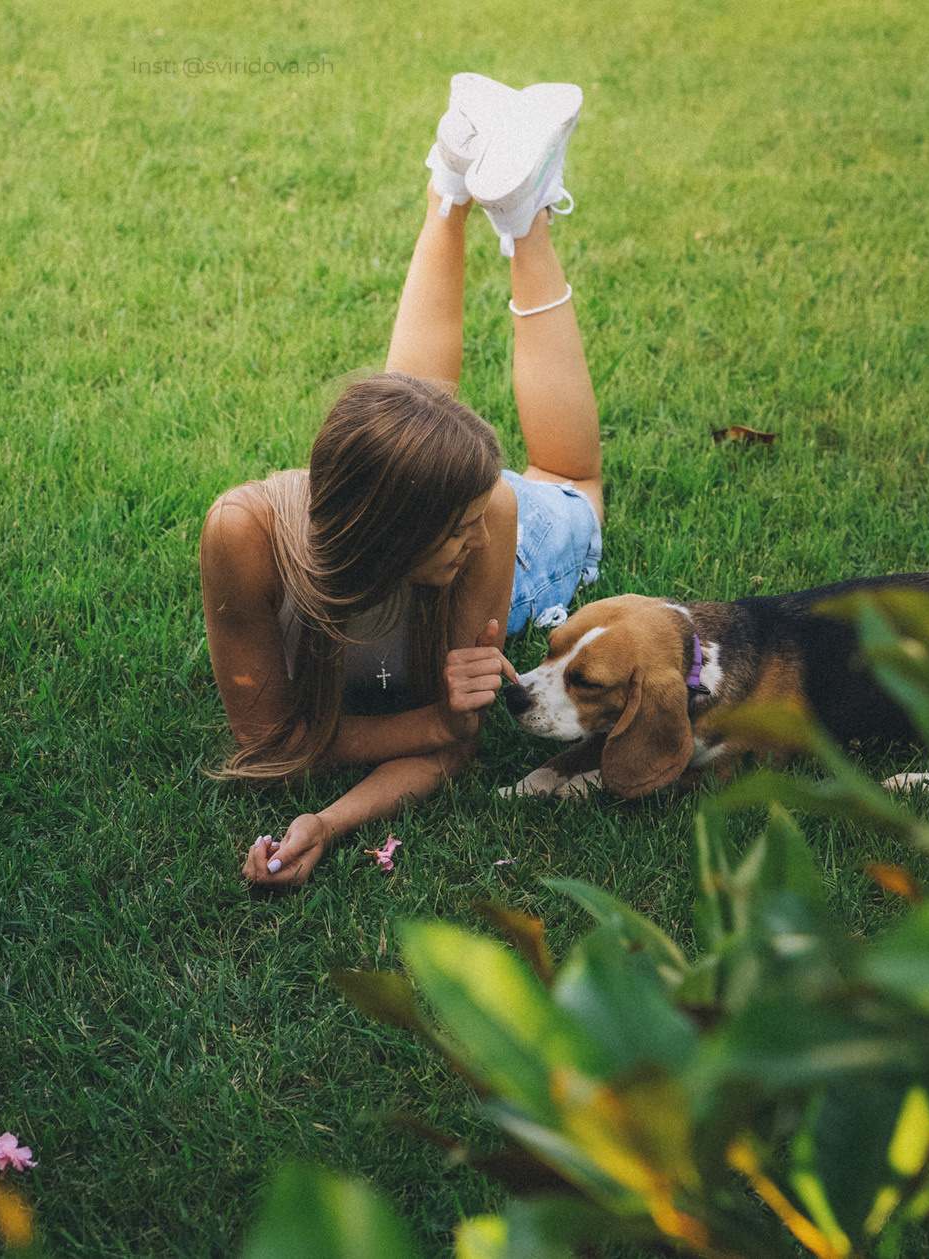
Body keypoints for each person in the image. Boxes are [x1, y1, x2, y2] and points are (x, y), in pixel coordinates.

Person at [198, 74, 606, 887]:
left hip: (509, 534)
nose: (477, 538)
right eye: (457, 530)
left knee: (570, 485)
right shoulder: (243, 531)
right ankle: (473, 191)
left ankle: (496, 205)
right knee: (451, 442)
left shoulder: (490, 514)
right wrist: (428, 724)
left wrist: (418, 738)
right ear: (391, 532)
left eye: (472, 521)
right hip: (425, 498)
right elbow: (270, 739)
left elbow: (449, 745)